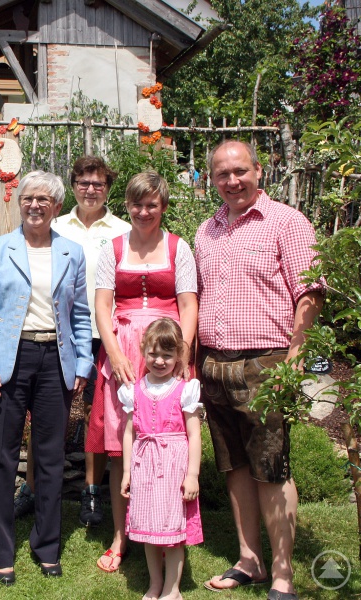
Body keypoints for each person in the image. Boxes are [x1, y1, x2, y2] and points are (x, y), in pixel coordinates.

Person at [197, 140, 323, 600]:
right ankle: (249, 560)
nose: (232, 181)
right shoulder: (206, 230)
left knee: (271, 467)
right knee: (233, 465)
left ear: (259, 171)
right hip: (213, 363)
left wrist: (296, 356)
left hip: (265, 362)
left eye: (239, 171)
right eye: (222, 174)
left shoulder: (287, 222)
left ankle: (283, 571)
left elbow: (309, 292)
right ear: (211, 179)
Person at [0, 171, 93, 585]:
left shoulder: (71, 252)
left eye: (44, 199)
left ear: (57, 206)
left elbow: (79, 314)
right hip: (9, 360)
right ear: (18, 203)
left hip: (54, 361)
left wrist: (81, 366)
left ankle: (46, 545)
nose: (35, 205)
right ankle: (0, 551)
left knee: (51, 457)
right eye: (28, 198)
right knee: (1, 456)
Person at [90, 171, 198, 573]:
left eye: (152, 204)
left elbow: (188, 306)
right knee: (124, 446)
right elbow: (102, 306)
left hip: (166, 350)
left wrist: (182, 355)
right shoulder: (112, 248)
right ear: (128, 206)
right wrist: (114, 353)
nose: (144, 211)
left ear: (163, 207)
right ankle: (122, 535)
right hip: (124, 351)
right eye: (137, 204)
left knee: (169, 442)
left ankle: (168, 526)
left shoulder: (178, 248)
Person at [14, 157, 131, 526]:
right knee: (45, 415)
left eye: (98, 184)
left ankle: (92, 493)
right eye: (83, 182)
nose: (90, 189)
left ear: (108, 188)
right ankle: (31, 488)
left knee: (99, 417)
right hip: (60, 334)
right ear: (74, 186)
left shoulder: (123, 230)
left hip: (106, 337)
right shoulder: (56, 224)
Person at [120, 318, 203, 600]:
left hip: (173, 468)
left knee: (172, 530)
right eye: (154, 353)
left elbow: (194, 435)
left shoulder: (185, 389)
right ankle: (155, 583)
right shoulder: (134, 389)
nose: (159, 360)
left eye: (167, 355)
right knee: (148, 528)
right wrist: (127, 472)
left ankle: (172, 589)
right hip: (144, 466)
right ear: (143, 351)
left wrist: (192, 474)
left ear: (178, 355)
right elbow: (130, 432)